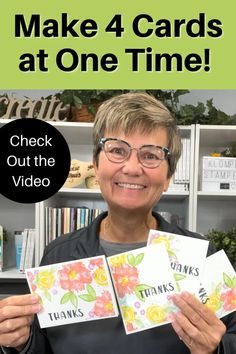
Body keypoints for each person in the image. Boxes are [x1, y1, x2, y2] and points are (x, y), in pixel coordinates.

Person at [0, 92, 235, 354]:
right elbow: (41, 347)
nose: (132, 168)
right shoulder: (58, 255)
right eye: (117, 150)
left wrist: (219, 348)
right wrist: (20, 342)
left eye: (150, 155)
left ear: (168, 176)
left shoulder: (202, 255)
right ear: (96, 166)